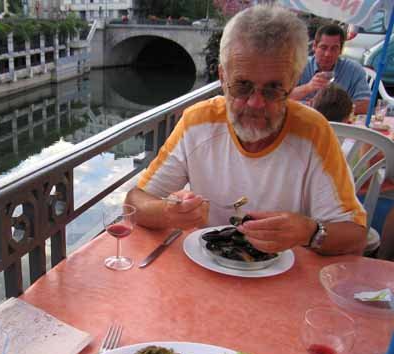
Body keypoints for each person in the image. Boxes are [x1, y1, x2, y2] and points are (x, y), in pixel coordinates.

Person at [125, 5, 367, 256]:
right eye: (242, 85)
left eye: (273, 88)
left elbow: (355, 235)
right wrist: (168, 212)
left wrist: (310, 231)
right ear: (222, 76)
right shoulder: (197, 121)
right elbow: (135, 201)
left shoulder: (314, 132)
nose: (256, 103)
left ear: (293, 83)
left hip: (280, 283)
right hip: (206, 273)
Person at [290, 24, 370, 114]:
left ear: (340, 50)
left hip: (339, 125)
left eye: (334, 49)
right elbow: (281, 97)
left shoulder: (354, 70)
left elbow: (366, 105)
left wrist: (327, 108)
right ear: (314, 46)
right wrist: (308, 87)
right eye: (323, 48)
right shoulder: (299, 65)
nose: (328, 54)